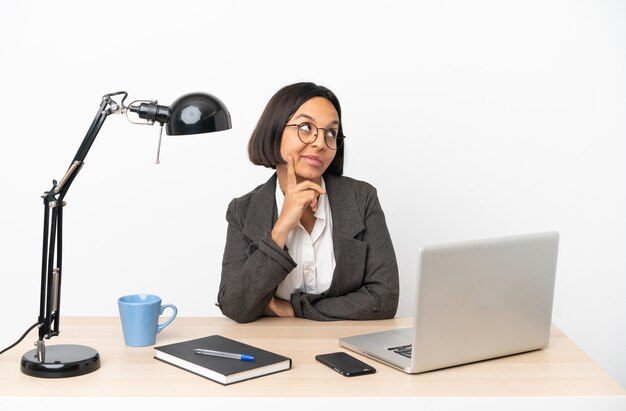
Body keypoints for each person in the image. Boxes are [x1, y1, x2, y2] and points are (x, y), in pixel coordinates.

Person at [217, 82, 399, 323]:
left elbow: (383, 299)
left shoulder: (361, 198)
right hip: (271, 348)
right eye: (306, 127)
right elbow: (235, 305)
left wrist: (294, 309)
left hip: (346, 347)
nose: (320, 143)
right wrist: (281, 228)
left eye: (331, 133)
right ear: (275, 130)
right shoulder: (243, 210)